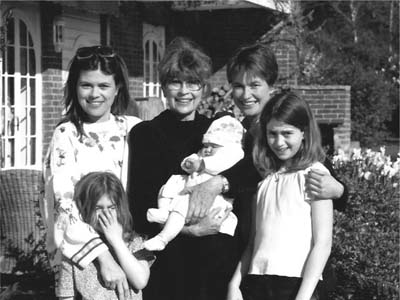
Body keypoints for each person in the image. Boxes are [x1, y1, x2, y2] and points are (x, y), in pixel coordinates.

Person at [186, 42, 347, 254]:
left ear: (270, 86)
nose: (245, 95)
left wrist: (341, 191)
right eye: (238, 86)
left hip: (283, 255)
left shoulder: (284, 132)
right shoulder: (235, 131)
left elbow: (325, 176)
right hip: (239, 249)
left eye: (254, 85)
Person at [127, 37, 239, 300]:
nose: (184, 91)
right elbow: (139, 207)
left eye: (193, 83)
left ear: (204, 88)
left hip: (215, 263)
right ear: (164, 86)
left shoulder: (216, 131)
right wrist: (191, 230)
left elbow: (244, 173)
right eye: (175, 82)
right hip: (169, 265)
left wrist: (217, 183)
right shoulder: (145, 134)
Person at [41, 45, 142, 300]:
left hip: (126, 249)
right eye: (86, 85)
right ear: (75, 87)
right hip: (84, 255)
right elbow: (63, 203)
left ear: (118, 88)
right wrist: (103, 258)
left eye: (104, 86)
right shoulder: (67, 134)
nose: (95, 93)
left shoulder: (133, 129)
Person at [227, 91, 333, 300]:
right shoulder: (265, 179)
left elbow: (323, 242)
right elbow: (254, 242)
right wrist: (234, 284)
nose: (279, 142)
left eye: (287, 133)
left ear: (304, 132)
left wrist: (303, 296)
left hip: (295, 285)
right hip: (256, 283)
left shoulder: (315, 175)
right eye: (272, 134)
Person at [144, 115, 245, 251]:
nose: (207, 149)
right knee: (173, 182)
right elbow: (192, 159)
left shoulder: (233, 154)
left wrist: (201, 163)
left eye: (214, 146)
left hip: (214, 202)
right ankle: (165, 211)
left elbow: (220, 162)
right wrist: (189, 162)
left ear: (226, 147)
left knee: (184, 204)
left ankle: (162, 239)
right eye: (206, 145)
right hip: (191, 189)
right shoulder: (204, 155)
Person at [58, 172, 155, 300]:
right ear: (85, 208)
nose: (105, 214)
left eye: (111, 207)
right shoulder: (75, 248)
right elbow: (66, 296)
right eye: (98, 208)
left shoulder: (134, 242)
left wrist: (116, 240)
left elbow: (140, 280)